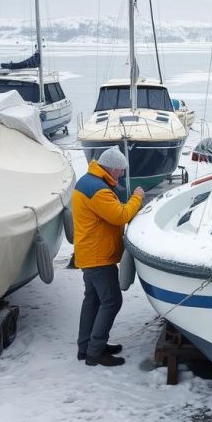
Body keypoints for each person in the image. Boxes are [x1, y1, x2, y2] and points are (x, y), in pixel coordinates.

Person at [71, 146, 145, 366]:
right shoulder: (98, 190)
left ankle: (86, 347)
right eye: (120, 170)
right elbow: (120, 215)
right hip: (98, 257)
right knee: (112, 301)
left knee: (92, 301)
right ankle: (95, 352)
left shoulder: (87, 181)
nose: (121, 174)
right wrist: (137, 197)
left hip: (89, 253)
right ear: (111, 168)